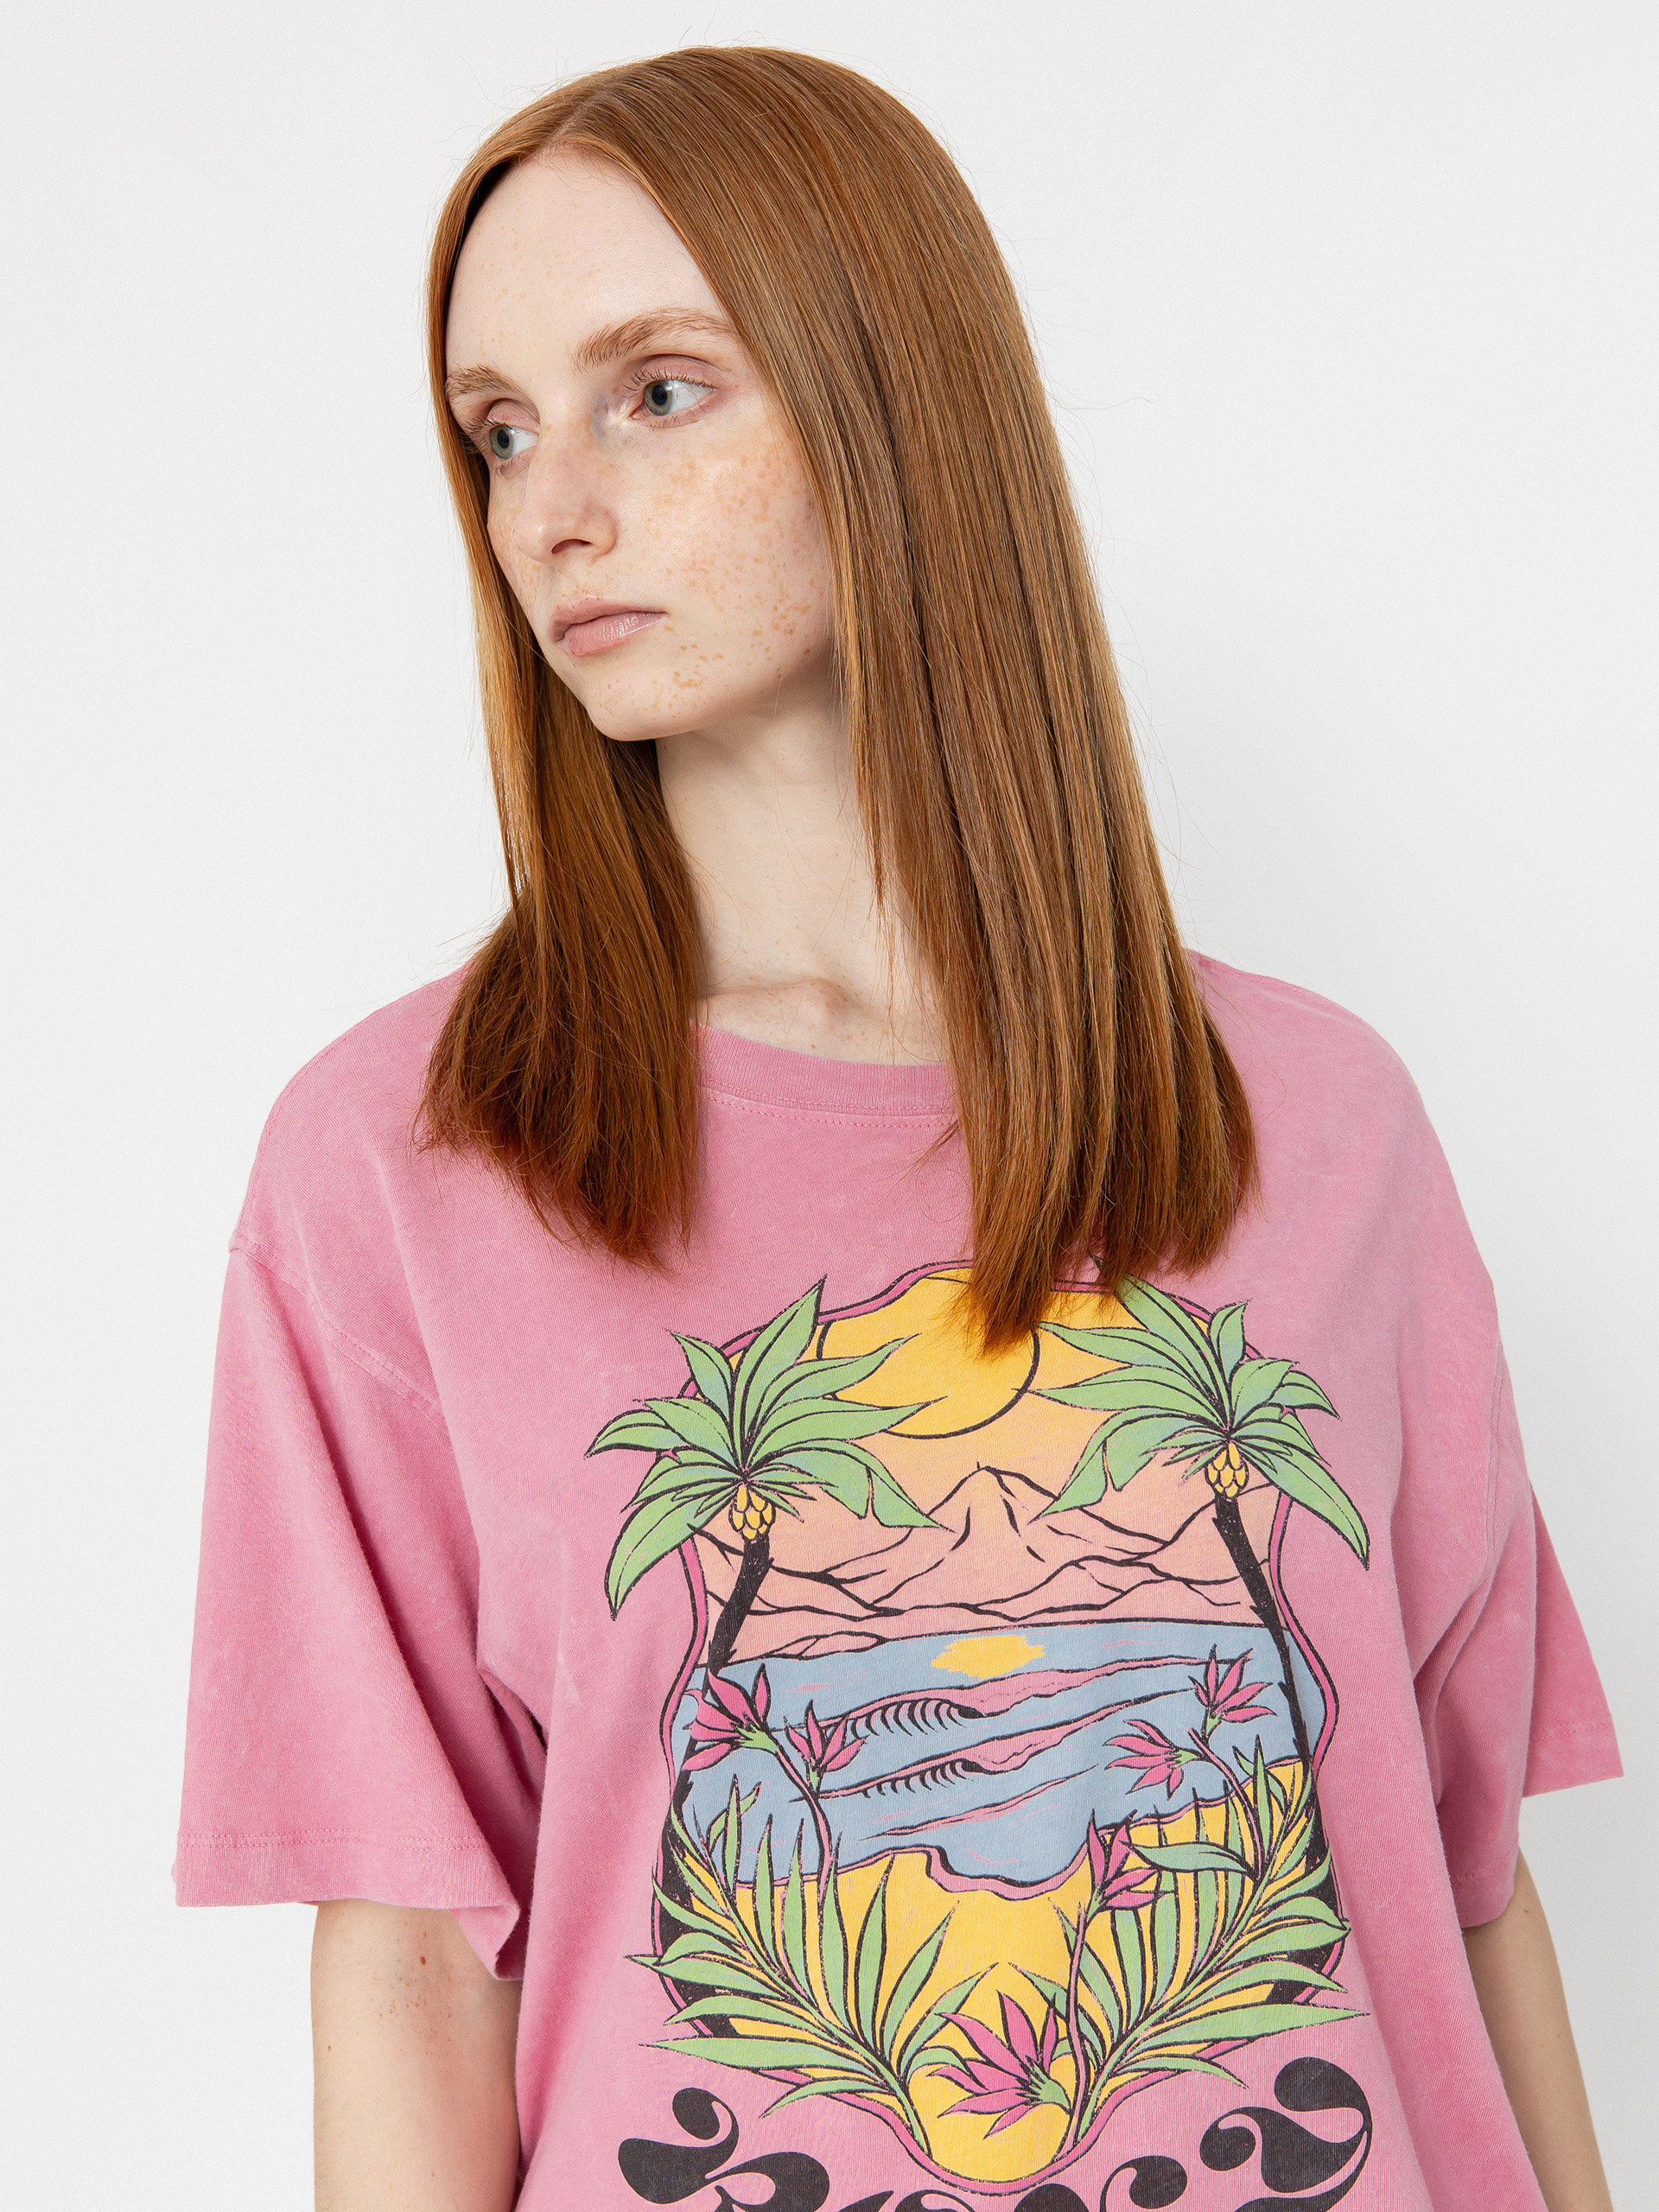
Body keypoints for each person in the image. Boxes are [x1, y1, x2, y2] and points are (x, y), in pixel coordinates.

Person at [175, 46, 1621, 2212]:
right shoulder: (405, 1161)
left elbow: (1467, 1884)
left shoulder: (1323, 1122)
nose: (548, 507)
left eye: (657, 390)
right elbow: (406, 1961)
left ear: (895, 405)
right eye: (499, 427)